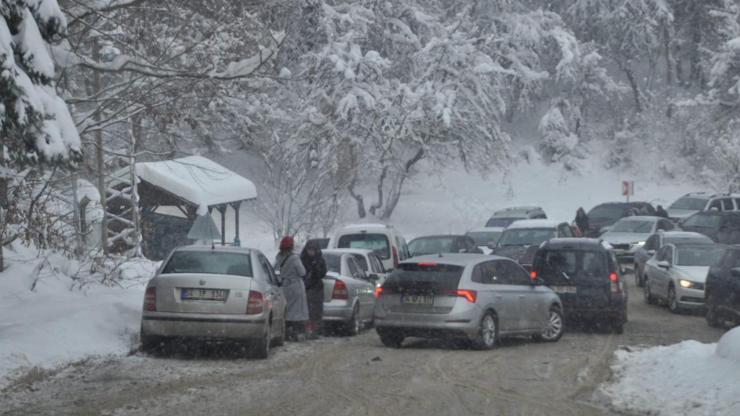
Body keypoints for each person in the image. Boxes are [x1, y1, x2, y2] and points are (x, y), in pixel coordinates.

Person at [274, 236, 308, 342]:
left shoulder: (278, 257)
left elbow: (275, 270)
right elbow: (302, 272)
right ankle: (297, 333)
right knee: (298, 310)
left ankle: (286, 331)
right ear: (291, 246)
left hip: (285, 286)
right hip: (295, 286)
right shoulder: (295, 258)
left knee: (287, 309)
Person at [300, 240, 327, 340]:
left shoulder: (320, 260)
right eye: (309, 249)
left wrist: (316, 268)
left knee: (316, 311)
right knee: (306, 311)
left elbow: (322, 273)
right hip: (306, 288)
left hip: (316, 288)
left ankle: (315, 330)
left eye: (312, 250)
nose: (310, 252)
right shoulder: (302, 259)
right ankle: (307, 329)